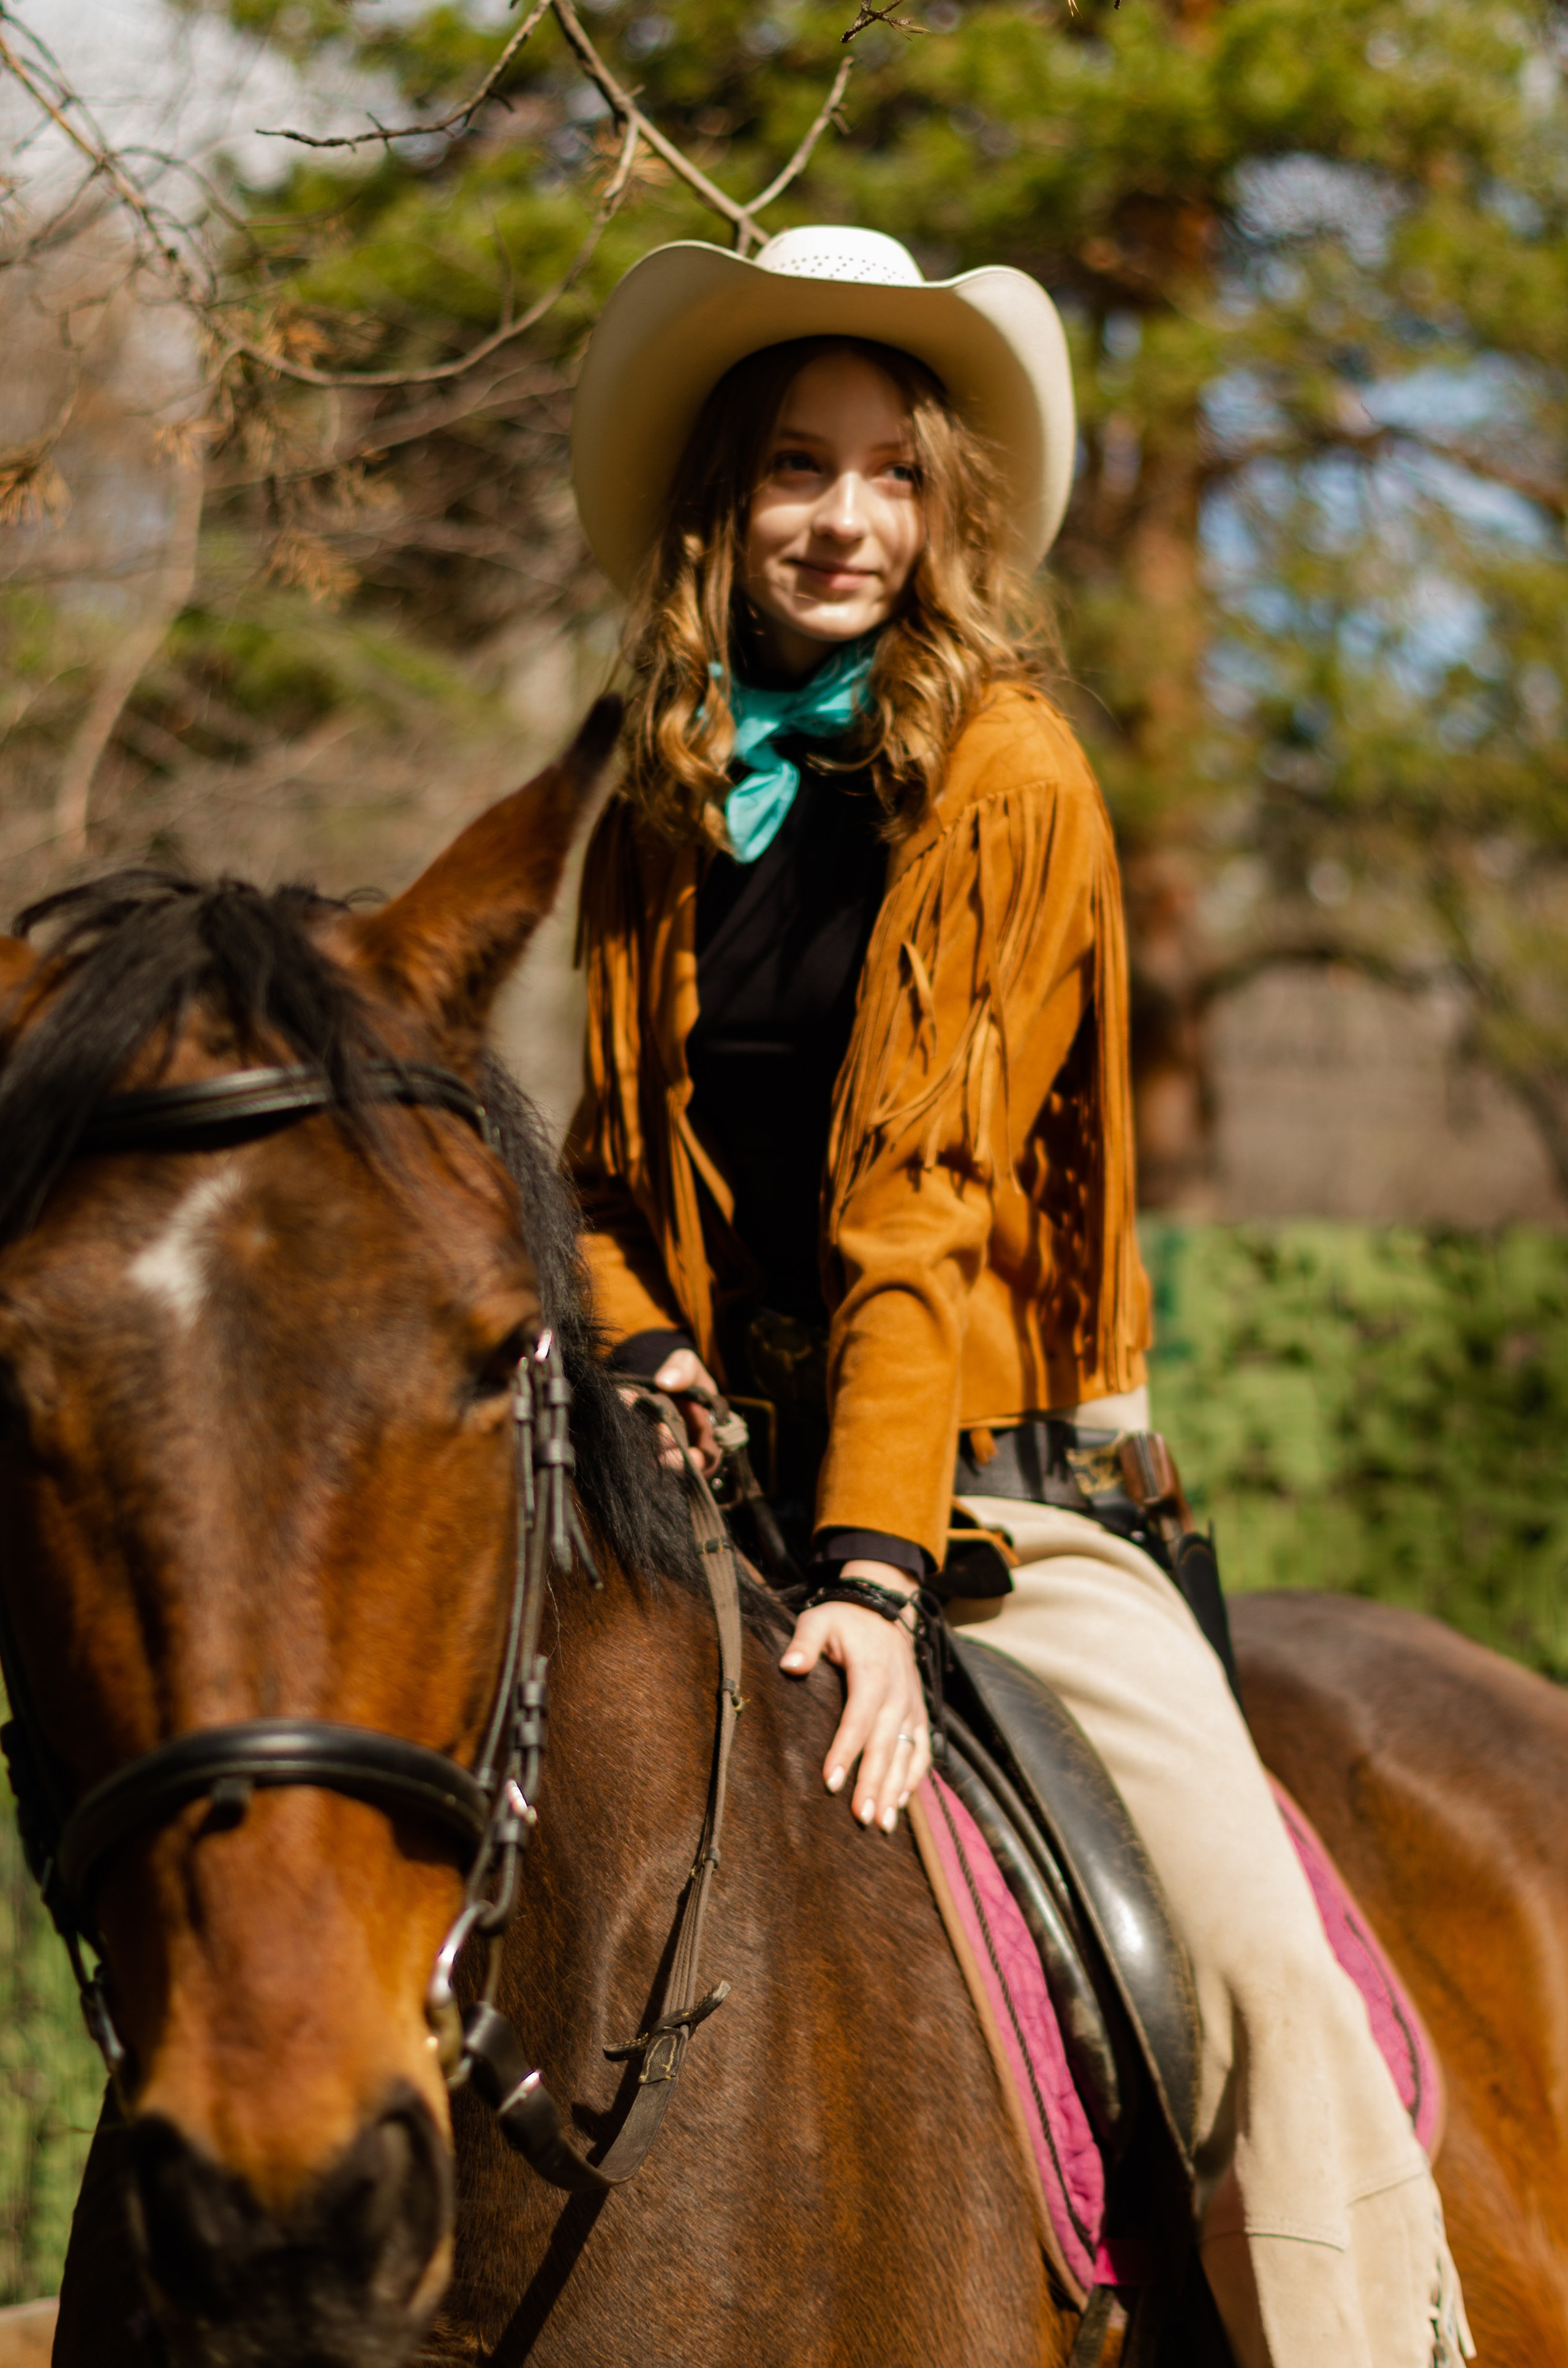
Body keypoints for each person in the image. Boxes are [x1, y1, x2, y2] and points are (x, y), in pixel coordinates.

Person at [564, 223, 1471, 2368]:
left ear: (945, 508)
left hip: (994, 1510)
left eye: (891, 474)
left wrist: (874, 1572)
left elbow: (924, 1200)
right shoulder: (657, 796)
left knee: (1256, 1977)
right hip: (710, 1498)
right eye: (798, 467)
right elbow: (600, 1171)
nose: (844, 520)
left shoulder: (1006, 777)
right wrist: (639, 1334)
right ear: (725, 499)